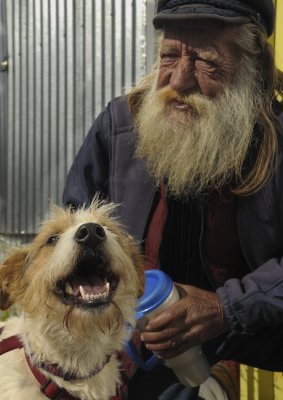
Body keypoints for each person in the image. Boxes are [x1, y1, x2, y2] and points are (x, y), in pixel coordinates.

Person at [63, 0, 283, 398]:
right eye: (169, 55)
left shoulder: (277, 141)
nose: (180, 80)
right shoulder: (120, 126)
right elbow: (73, 234)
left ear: (251, 68)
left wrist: (225, 308)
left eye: (207, 62)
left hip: (250, 340)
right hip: (135, 341)